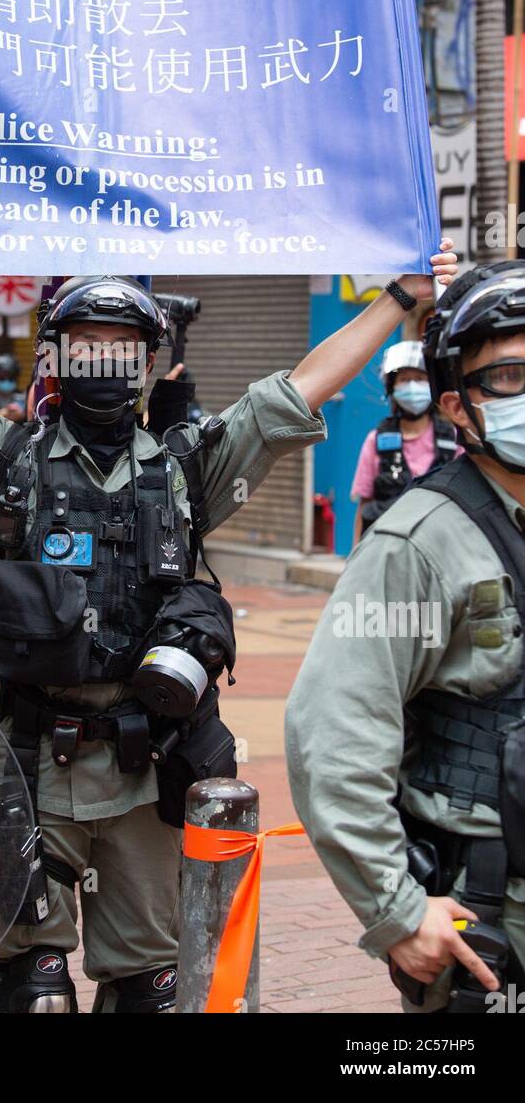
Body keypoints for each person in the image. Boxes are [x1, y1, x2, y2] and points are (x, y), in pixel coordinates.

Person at [0, 244, 456, 1013]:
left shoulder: (186, 464)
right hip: (25, 765)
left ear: (148, 364)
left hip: (147, 769)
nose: (103, 361)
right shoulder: (5, 455)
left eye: (121, 349)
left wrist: (400, 294)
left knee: (150, 990)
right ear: (56, 359)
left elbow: (298, 389)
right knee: (32, 992)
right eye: (86, 346)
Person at [286, 260, 525, 1015]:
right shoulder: (416, 545)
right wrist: (394, 912)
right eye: (510, 377)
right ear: (457, 406)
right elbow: (333, 733)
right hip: (489, 910)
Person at [350, 340, 460, 547]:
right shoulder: (376, 440)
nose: (412, 386)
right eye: (404, 379)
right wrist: (354, 557)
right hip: (385, 547)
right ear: (392, 387)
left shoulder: (453, 439)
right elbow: (365, 505)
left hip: (439, 548)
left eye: (420, 379)